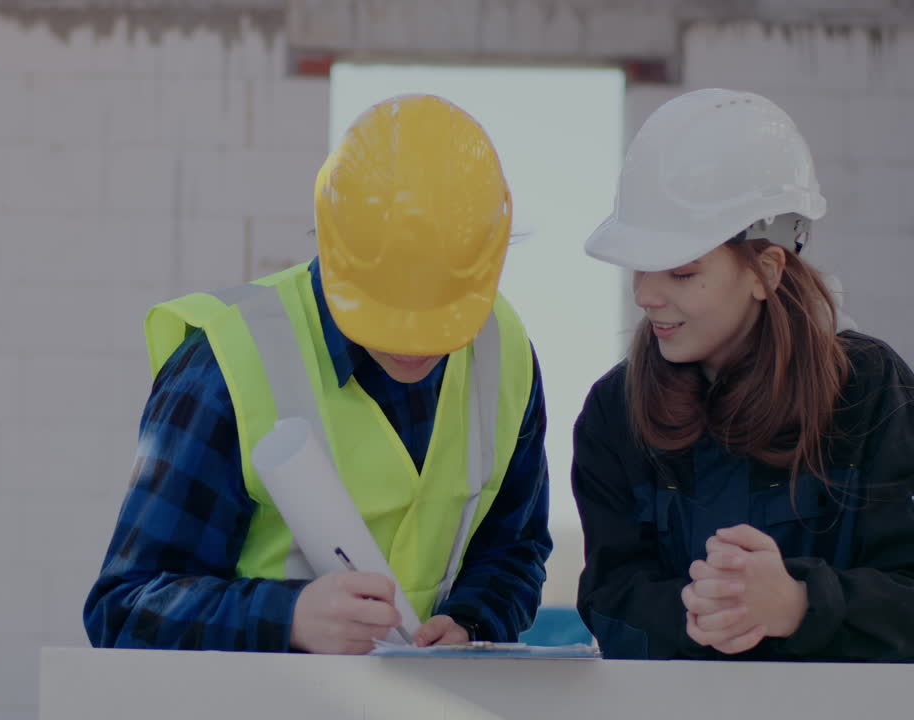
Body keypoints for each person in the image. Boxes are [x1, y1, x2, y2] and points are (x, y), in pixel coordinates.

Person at [83, 94, 552, 654]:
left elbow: (513, 550)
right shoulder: (225, 365)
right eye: (388, 311)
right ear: (335, 253)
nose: (412, 343)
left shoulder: (506, 355)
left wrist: (474, 620)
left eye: (435, 317)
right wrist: (289, 619)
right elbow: (124, 609)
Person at [575, 88, 914, 661]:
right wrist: (705, 610)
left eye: (681, 273)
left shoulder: (872, 390)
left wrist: (801, 605)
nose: (646, 295)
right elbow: (609, 601)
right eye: (641, 266)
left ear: (767, 269)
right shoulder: (617, 410)